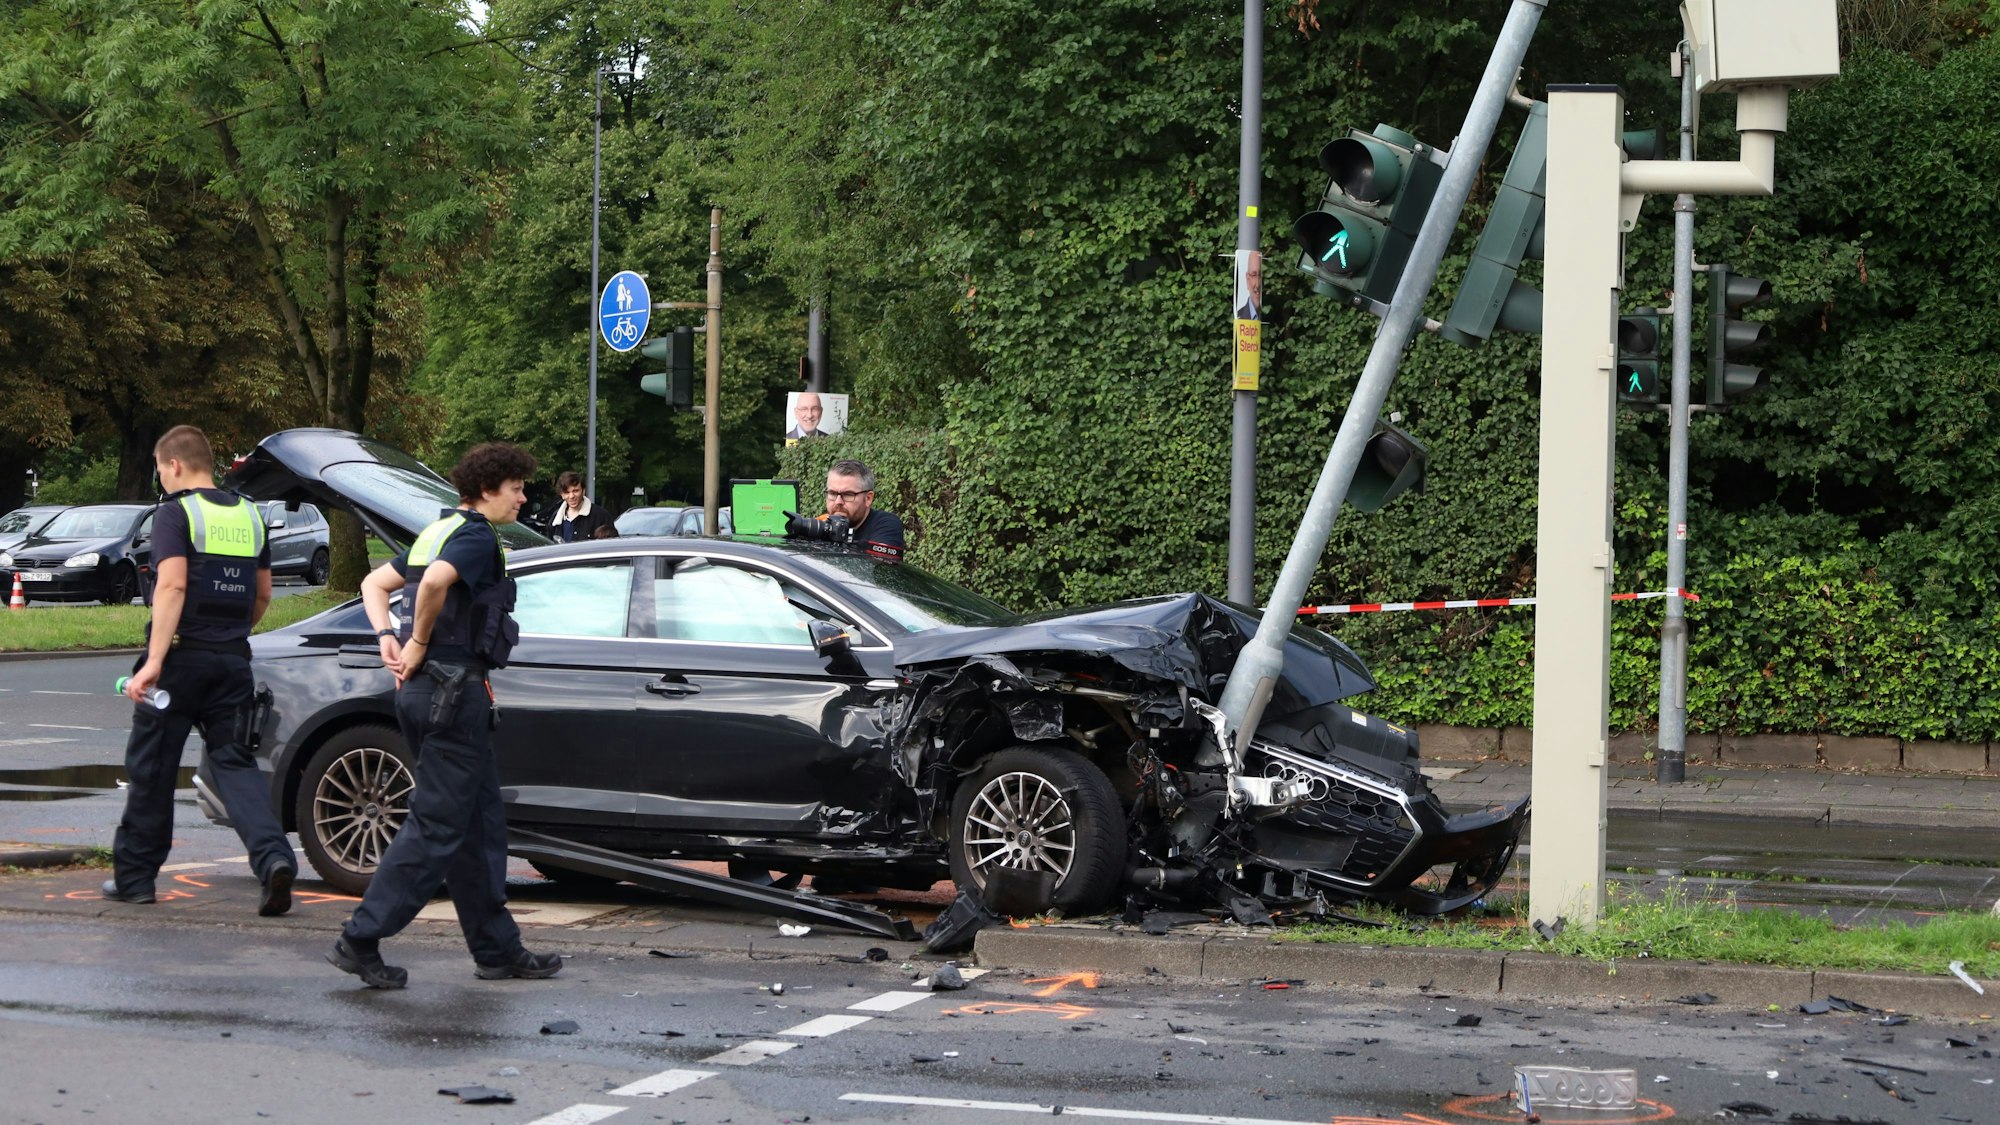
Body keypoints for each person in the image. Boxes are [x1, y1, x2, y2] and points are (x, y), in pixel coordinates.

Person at [328, 441, 561, 990]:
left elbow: (374, 584)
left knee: (478, 827)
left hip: (432, 692)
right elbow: (432, 586)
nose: (524, 499)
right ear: (487, 491)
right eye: (517, 489)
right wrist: (417, 643)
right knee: (435, 826)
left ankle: (498, 950)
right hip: (452, 692)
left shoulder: (437, 531)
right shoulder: (477, 536)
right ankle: (360, 939)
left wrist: (390, 636)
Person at [105, 425, 299, 915]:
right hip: (232, 662)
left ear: (173, 465)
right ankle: (275, 860)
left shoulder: (175, 512)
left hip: (179, 662)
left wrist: (153, 661)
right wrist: (231, 639)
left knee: (152, 768)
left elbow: (170, 587)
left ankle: (135, 880)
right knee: (234, 765)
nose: (160, 479)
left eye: (159, 470)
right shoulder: (252, 516)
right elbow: (262, 595)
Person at [824, 459, 905, 563]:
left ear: (868, 498)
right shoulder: (820, 525)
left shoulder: (885, 523)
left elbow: (877, 569)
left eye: (848, 495)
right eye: (833, 493)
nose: (838, 502)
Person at [539, 471, 613, 543]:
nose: (571, 496)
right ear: (562, 494)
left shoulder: (601, 516)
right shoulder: (555, 519)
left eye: (575, 491)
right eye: (567, 492)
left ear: (583, 491)